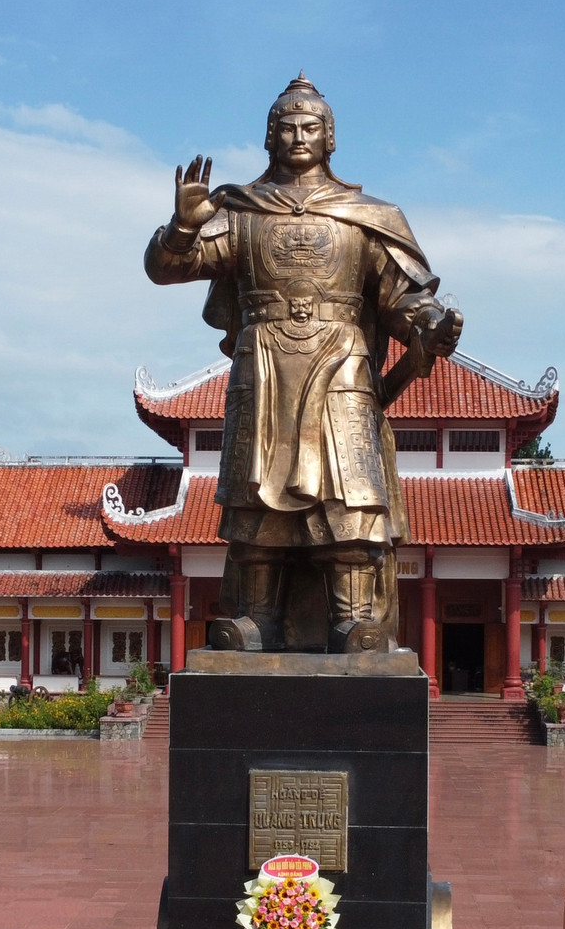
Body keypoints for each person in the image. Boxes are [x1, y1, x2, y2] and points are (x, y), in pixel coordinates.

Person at [145, 74, 463, 653]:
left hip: (342, 363)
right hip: (263, 363)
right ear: (269, 137)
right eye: (286, 126)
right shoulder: (242, 213)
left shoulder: (367, 216)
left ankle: (353, 620)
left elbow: (403, 298)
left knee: (349, 495)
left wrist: (430, 325)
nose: (298, 135)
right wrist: (185, 224)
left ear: (330, 138)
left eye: (310, 126)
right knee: (254, 496)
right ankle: (255, 621)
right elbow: (168, 268)